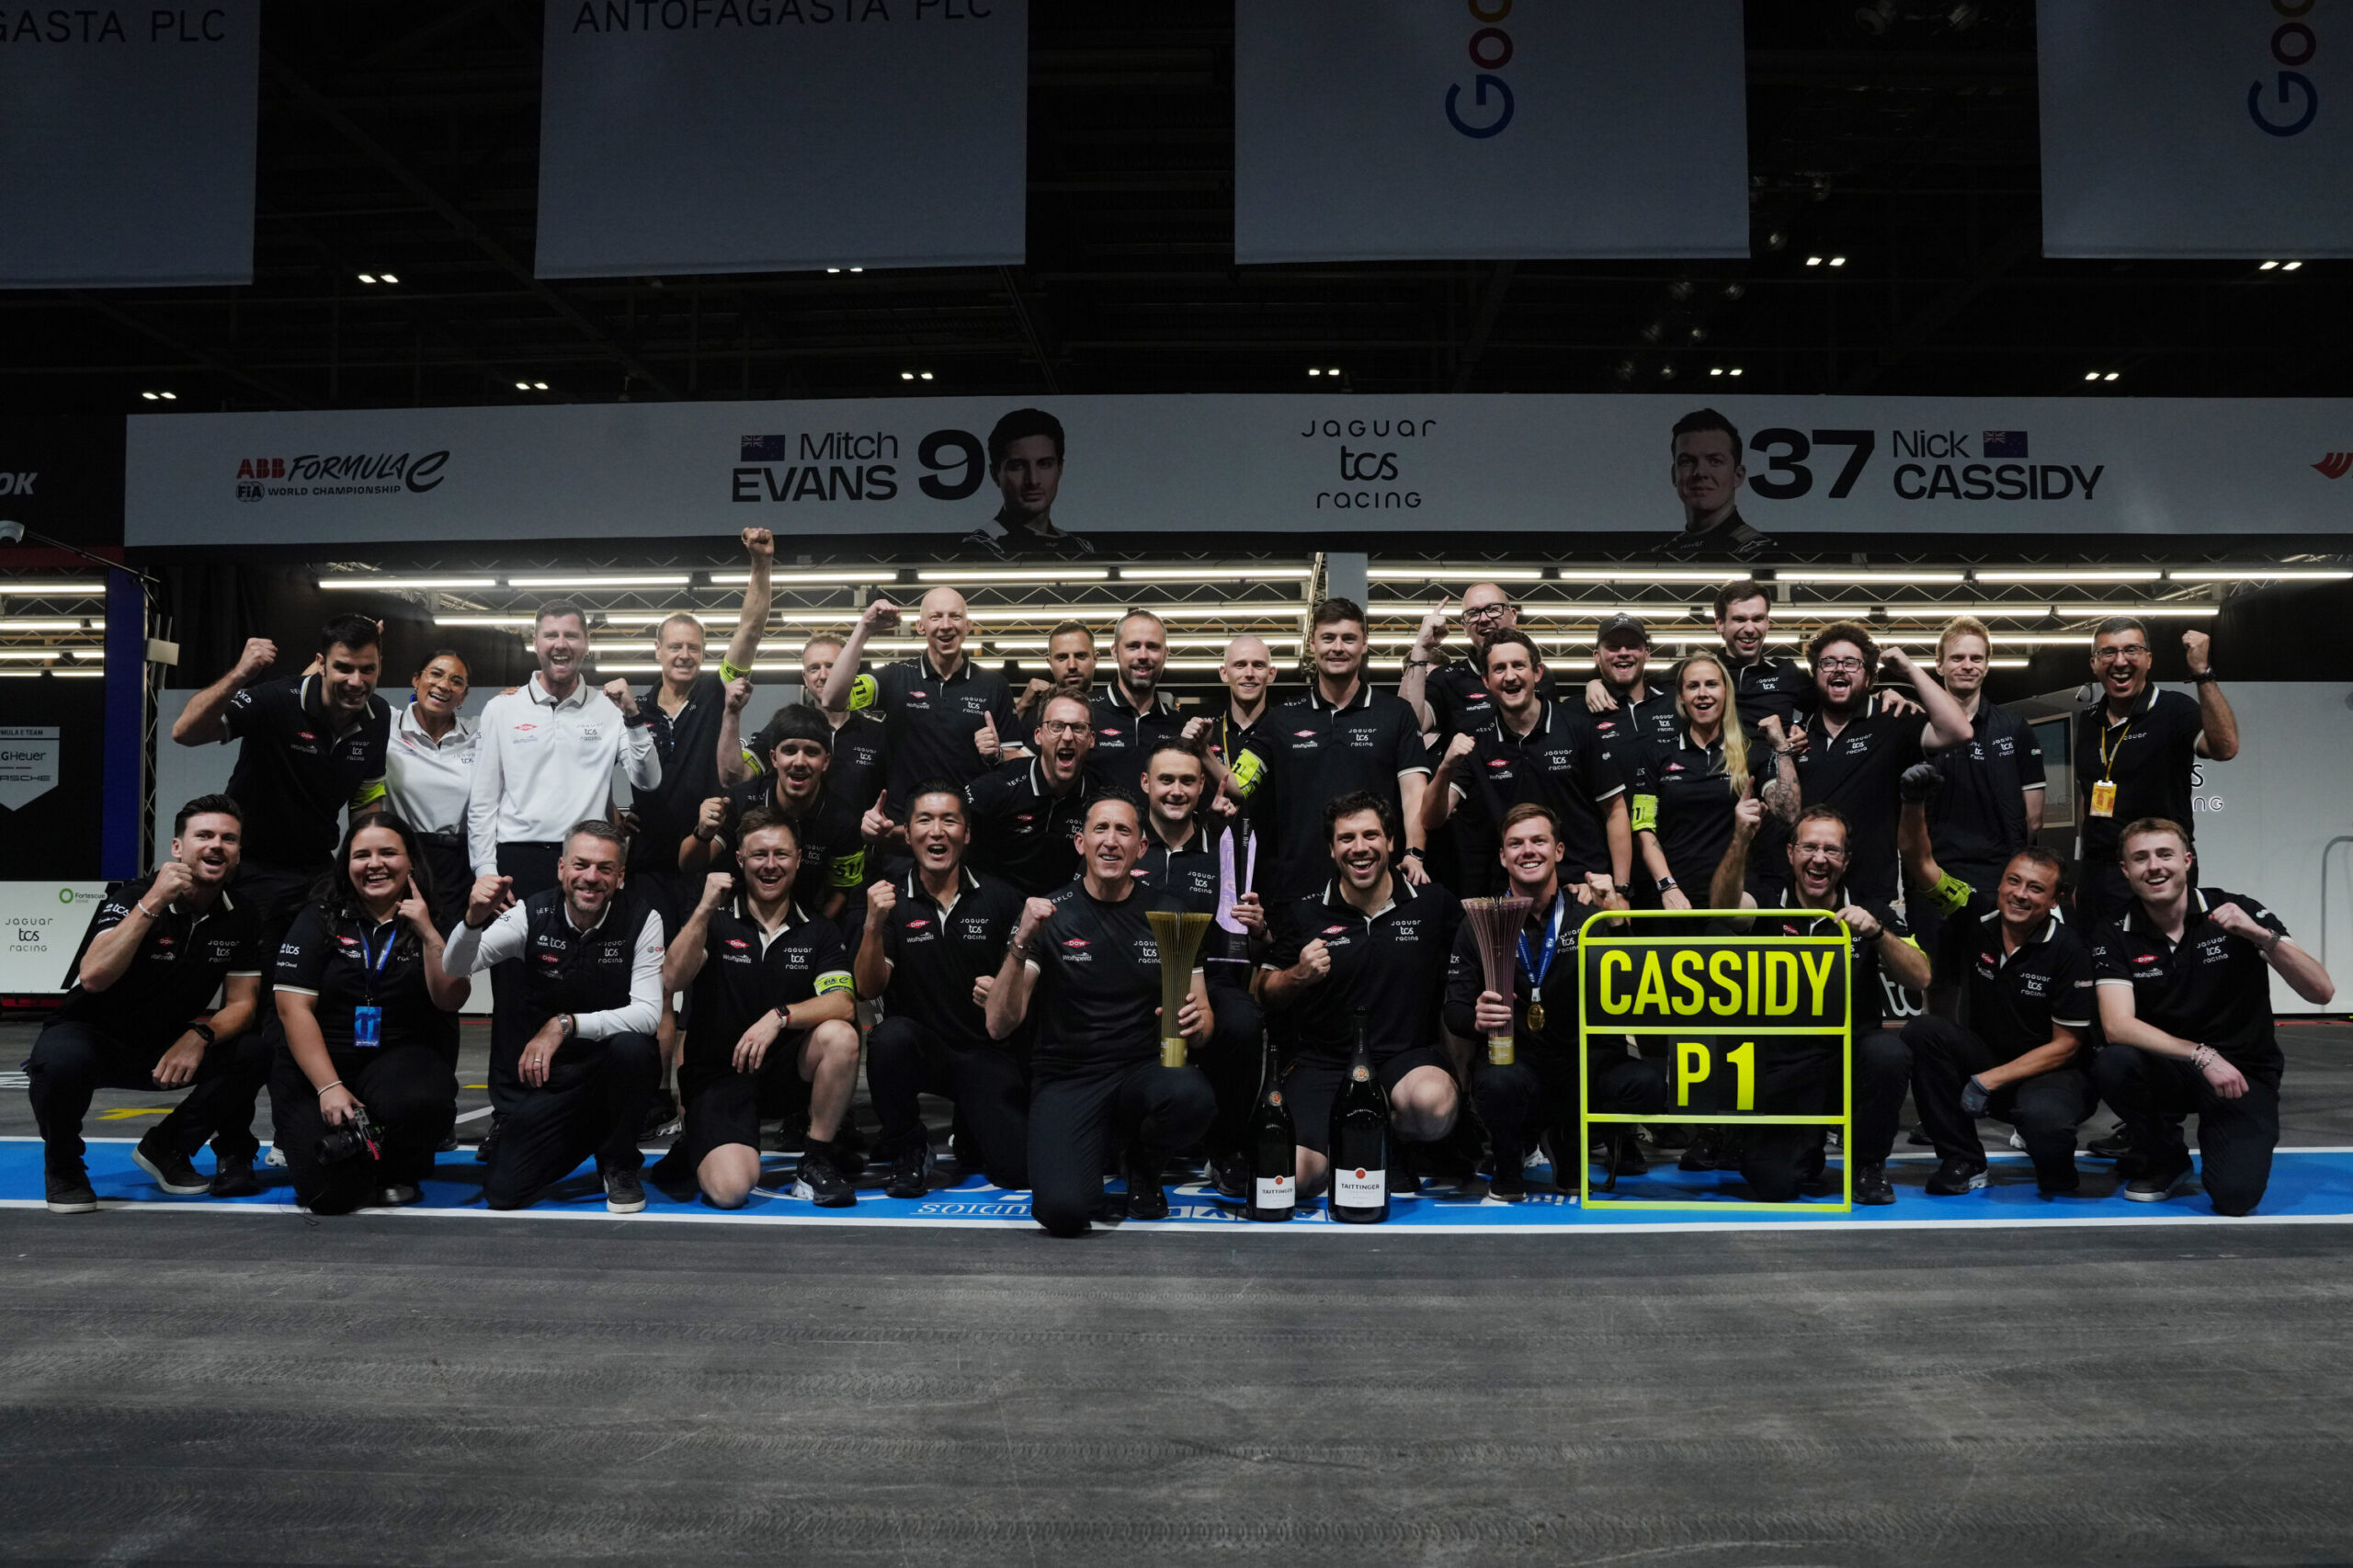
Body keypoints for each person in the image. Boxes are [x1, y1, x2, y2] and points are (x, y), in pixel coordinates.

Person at [465, 601, 663, 1154]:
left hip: (587, 861)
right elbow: (482, 803)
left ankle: (593, 1106)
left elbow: (647, 779)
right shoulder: (502, 710)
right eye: (550, 634)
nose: (561, 644)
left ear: (586, 644)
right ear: (535, 642)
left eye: (571, 635)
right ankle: (509, 1113)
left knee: (593, 986)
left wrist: (632, 715)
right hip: (519, 864)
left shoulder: (608, 709)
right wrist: (487, 874)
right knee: (513, 993)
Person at [169, 614, 392, 1085]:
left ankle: (308, 1101)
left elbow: (366, 798)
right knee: (258, 1001)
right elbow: (185, 731)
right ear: (321, 663)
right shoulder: (275, 699)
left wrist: (370, 863)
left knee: (316, 990)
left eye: (367, 669)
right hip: (255, 872)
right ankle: (234, 1116)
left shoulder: (379, 716)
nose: (356, 681)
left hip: (318, 874)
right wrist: (241, 673)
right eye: (344, 667)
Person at [25, 795, 268, 1212]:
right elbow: (94, 977)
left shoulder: (242, 914)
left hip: (165, 1046)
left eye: (228, 839)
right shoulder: (133, 897)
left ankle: (168, 1147)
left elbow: (242, 1005)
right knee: (59, 1060)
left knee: (254, 1050)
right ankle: (64, 1166)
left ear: (238, 853)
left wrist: (200, 1034)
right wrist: (153, 903)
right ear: (177, 847)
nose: (216, 845)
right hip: (93, 1037)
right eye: (204, 835)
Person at [987, 795, 1217, 1235]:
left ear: (1141, 848)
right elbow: (999, 1024)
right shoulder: (1048, 915)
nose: (1111, 841)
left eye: (1123, 831)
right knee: (1064, 1212)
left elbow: (1204, 1021)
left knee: (1192, 1097)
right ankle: (1095, 1151)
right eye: (1100, 829)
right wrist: (1021, 942)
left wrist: (1196, 1024)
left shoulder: (1170, 913)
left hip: (1143, 1069)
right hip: (1068, 1076)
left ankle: (1143, 1163)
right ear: (1081, 843)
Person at [1872, 769, 2095, 1199]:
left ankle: (2055, 1162)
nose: (2020, 894)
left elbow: (2066, 1046)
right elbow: (1920, 863)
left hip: (2052, 1074)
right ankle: (1964, 1161)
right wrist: (1913, 803)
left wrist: (1988, 1080)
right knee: (1924, 1031)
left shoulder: (2070, 948)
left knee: (2045, 1124)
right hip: (1989, 1059)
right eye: (2013, 881)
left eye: (2036, 888)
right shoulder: (1975, 912)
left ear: (2055, 899)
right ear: (2001, 882)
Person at [2089, 818, 2331, 1214]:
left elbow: (2321, 991)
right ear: (2125, 870)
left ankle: (2225, 1136)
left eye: (2165, 854)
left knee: (2235, 1197)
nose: (2154, 866)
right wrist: (2202, 1055)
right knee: (2113, 1062)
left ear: (2187, 860)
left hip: (2244, 1071)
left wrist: (2260, 936)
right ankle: (2166, 1155)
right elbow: (2118, 1026)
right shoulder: (2114, 931)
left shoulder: (2238, 910)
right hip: (2174, 1064)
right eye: (2141, 858)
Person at [1709, 800, 1930, 1203]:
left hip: (1850, 1058)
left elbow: (1921, 976)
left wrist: (1877, 933)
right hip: (1785, 1063)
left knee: (1888, 1053)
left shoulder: (1870, 909)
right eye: (1810, 847)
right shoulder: (1767, 903)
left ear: (1846, 860)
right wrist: (1741, 838)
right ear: (1790, 853)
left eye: (1832, 850)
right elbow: (1723, 908)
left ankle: (1868, 1165)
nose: (1820, 859)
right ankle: (1795, 1149)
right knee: (1773, 1185)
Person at [441, 821, 664, 1213]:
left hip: (614, 1068)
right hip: (556, 1082)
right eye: (581, 864)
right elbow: (456, 966)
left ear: (620, 876)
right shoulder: (530, 914)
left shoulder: (643, 918)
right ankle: (598, 1135)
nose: (591, 877)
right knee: (503, 1192)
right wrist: (473, 920)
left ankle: (618, 1159)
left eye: (605, 868)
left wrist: (565, 1025)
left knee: (634, 1049)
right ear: (561, 868)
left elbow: (648, 1015)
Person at [1445, 804, 1666, 1199]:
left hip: (1583, 1060)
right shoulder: (1480, 920)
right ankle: (1510, 1155)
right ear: (1502, 857)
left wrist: (1616, 917)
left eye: (1539, 841)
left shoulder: (1589, 913)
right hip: (1516, 1060)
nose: (1528, 850)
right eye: (1516, 844)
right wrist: (1476, 1018)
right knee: (1498, 1081)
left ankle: (1569, 1138)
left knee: (1647, 1085)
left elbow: (1634, 992)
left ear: (1559, 851)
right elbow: (1454, 1010)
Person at [1258, 792, 1463, 1200]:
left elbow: (1470, 969)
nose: (1359, 847)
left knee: (1434, 1107)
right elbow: (1264, 991)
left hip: (1404, 1059)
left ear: (1391, 841)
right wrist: (1298, 976)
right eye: (1346, 838)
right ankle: (1352, 1146)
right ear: (1331, 849)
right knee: (1291, 1181)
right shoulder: (1305, 913)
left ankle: (1386, 1145)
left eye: (1370, 835)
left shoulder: (1432, 904)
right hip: (1325, 1064)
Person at [654, 809, 860, 1209]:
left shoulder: (818, 930)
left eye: (781, 854)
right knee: (729, 1191)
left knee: (840, 1035)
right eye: (758, 854)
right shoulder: (714, 922)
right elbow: (672, 979)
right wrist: (703, 909)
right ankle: (697, 1138)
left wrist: (780, 1016)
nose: (770, 865)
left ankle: (815, 1160)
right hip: (720, 1077)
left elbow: (844, 1003)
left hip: (783, 1074)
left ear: (798, 859)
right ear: (740, 860)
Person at [270, 813, 469, 1214]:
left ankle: (395, 1163)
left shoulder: (436, 917)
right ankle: (359, 1159)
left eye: (388, 853)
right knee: (330, 1198)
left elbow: (451, 999)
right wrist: (329, 1086)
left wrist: (427, 930)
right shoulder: (318, 917)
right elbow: (292, 1008)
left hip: (396, 1059)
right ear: (347, 865)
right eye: (362, 855)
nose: (375, 864)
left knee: (421, 1101)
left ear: (410, 862)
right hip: (322, 1064)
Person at [855, 783, 1031, 1199]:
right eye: (925, 820)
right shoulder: (890, 899)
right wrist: (873, 925)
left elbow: (1025, 988)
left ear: (966, 834)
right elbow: (868, 987)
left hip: (985, 1052)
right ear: (907, 833)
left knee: (1016, 1171)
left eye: (949, 821)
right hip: (920, 1052)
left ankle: (970, 1128)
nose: (937, 831)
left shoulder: (1002, 898)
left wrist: (1002, 989)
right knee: (888, 1039)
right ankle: (908, 1146)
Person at [1230, 597, 1434, 901]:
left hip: (1377, 887)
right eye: (1328, 638)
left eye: (1348, 638)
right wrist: (1202, 753)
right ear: (1312, 644)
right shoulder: (1281, 719)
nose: (1338, 648)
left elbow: (1415, 794)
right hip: (1298, 891)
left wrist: (1414, 854)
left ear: (1364, 644)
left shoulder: (1396, 713)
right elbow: (1238, 785)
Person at [625, 527, 774, 934]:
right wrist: (610, 817)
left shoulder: (716, 690)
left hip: (710, 857)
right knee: (650, 965)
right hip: (648, 865)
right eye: (675, 646)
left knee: (708, 965)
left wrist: (761, 563)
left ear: (704, 653)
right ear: (658, 650)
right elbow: (588, 763)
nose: (684, 655)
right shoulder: (635, 710)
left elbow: (750, 629)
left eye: (693, 647)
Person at [1132, 738, 1263, 1199]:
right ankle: (1131, 1146)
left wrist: (1259, 926)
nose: (1176, 790)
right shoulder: (1126, 843)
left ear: (1202, 786)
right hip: (1136, 979)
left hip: (1211, 976)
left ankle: (1227, 1149)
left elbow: (1254, 934)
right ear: (1146, 783)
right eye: (1166, 779)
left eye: (1187, 781)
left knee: (1243, 1022)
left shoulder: (1226, 847)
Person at [1423, 630, 1631, 898]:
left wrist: (1621, 890)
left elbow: (1615, 810)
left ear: (1537, 673)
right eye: (1499, 669)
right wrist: (1445, 768)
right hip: (1513, 894)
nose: (1510, 676)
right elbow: (1431, 819)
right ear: (1486, 681)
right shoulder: (1477, 740)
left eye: (1518, 665)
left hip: (1583, 888)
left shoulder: (1577, 729)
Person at [1791, 621, 1972, 908]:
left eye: (1851, 662)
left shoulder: (1893, 719)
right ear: (1816, 674)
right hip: (1808, 890)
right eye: (1828, 662)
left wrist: (1909, 669)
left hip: (1874, 891)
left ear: (1868, 678)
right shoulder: (1798, 732)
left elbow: (1959, 731)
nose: (1839, 669)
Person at [2074, 620, 2237, 924]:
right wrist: (2084, 871)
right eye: (2108, 652)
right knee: (2097, 952)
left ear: (2148, 660)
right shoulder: (2089, 719)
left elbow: (2225, 748)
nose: (2120, 661)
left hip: (2157, 869)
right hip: (2100, 874)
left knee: (2162, 953)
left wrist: (2202, 673)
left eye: (2131, 650)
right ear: (2094, 663)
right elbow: (2089, 794)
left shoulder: (2175, 709)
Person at [820, 587, 1017, 820]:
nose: (946, 625)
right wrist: (864, 629)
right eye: (936, 617)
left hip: (969, 826)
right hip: (903, 828)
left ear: (968, 626)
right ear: (921, 626)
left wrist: (997, 754)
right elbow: (832, 699)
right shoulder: (896, 677)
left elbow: (1020, 758)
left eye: (955, 616)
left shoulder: (994, 685)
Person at [1912, 616, 2046, 957]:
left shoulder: (2014, 728)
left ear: (1987, 666)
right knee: (1935, 973)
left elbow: (2033, 820)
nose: (1967, 665)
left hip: (1997, 879)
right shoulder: (1915, 728)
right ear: (1939, 665)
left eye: (1976, 658)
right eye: (1957, 658)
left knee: (1995, 970)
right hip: (1932, 876)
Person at [1630, 652, 1798, 916]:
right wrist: (1667, 886)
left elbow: (1789, 813)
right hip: (1673, 898)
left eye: (1711, 684)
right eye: (1693, 686)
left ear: (1726, 692)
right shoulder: (1658, 754)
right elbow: (1643, 827)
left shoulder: (1752, 752)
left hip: (1736, 898)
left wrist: (1781, 746)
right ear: (1681, 696)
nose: (1702, 694)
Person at [682, 704, 865, 928]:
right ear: (774, 758)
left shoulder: (842, 819)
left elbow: (840, 892)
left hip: (801, 925)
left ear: (826, 762)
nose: (799, 762)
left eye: (811, 752)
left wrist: (812, 935)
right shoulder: (740, 800)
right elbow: (688, 865)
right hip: (730, 920)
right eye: (789, 750)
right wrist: (702, 834)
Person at [716, 633, 889, 812]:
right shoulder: (784, 728)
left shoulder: (878, 734)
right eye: (814, 669)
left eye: (832, 666)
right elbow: (734, 778)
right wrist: (732, 714)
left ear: (851, 670)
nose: (823, 676)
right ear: (805, 677)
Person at [962, 693, 1098, 895]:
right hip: (997, 902)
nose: (1068, 737)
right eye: (1057, 726)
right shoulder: (997, 787)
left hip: (1065, 906)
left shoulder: (1100, 797)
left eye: (1078, 728)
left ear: (1091, 739)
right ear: (1038, 736)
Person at [382, 649, 478, 934]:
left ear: (463, 696)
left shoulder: (479, 733)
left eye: (456, 681)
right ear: (416, 680)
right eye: (436, 674)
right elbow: (324, 691)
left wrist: (516, 696)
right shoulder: (387, 724)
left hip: (458, 864)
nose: (444, 685)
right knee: (399, 944)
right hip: (403, 857)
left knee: (450, 950)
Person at [1400, 583, 1557, 744]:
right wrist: (1421, 647)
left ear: (1513, 616)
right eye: (1473, 613)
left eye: (1493, 609)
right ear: (1464, 626)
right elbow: (1406, 725)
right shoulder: (1446, 679)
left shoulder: (1538, 676)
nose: (1484, 619)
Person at [968, 406, 1092, 555]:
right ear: (995, 474)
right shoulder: (980, 547)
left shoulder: (1081, 548)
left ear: (1060, 469)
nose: (1033, 480)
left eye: (1044, 464)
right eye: (1017, 466)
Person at [1085, 610, 1186, 788]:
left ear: (1165, 654)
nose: (1143, 656)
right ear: (1115, 652)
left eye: (1153, 647)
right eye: (1133, 646)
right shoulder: (1084, 711)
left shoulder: (1178, 726)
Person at [1663, 408, 1767, 558]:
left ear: (1738, 475)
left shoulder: (1759, 552)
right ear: (1674, 475)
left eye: (1715, 461)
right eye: (1687, 462)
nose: (1700, 472)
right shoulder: (1663, 553)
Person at [1187, 633, 1278, 801]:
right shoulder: (1204, 732)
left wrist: (1203, 751)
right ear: (1224, 673)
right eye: (1240, 665)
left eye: (1258, 665)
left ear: (1271, 674)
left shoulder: (1285, 730)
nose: (1249, 673)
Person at [1015, 621, 1097, 725]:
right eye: (1062, 657)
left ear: (1095, 659)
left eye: (1080, 656)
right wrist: (1022, 705)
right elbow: (1005, 732)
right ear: (1050, 663)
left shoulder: (1113, 709)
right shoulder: (1034, 714)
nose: (1072, 666)